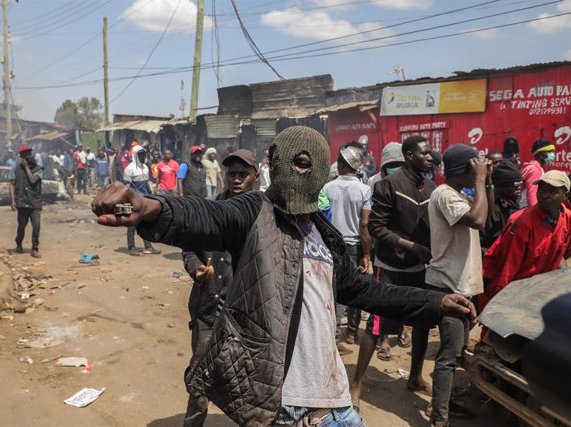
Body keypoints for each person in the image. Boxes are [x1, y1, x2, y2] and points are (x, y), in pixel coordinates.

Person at [91, 126, 476, 426]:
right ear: (273, 164)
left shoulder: (323, 234)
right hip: (285, 405)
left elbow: (362, 289)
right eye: (290, 161)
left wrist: (433, 301)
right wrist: (151, 207)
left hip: (336, 400)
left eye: (307, 164)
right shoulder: (252, 213)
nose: (296, 171)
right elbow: (206, 216)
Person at [351, 135, 436, 406]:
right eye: (424, 153)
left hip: (417, 268)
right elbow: (376, 227)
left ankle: (415, 376)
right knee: (375, 325)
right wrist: (410, 246)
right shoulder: (389, 185)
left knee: (421, 322)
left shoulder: (432, 188)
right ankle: (357, 383)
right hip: (389, 266)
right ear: (409, 156)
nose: (430, 158)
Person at [182, 149, 259, 427]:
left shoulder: (265, 217)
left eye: (243, 174)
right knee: (200, 376)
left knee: (248, 382)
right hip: (209, 307)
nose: (236, 179)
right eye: (232, 174)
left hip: (249, 315)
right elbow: (190, 248)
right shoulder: (210, 209)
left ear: (256, 176)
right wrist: (196, 269)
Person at [425, 144, 492, 427]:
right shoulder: (444, 195)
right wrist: (479, 180)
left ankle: (448, 403)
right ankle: (439, 418)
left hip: (461, 285)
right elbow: (478, 220)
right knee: (449, 355)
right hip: (448, 286)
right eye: (474, 167)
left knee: (461, 350)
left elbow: (486, 220)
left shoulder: (459, 195)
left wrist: (484, 181)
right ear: (464, 170)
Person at [481, 170, 571, 310]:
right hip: (514, 290)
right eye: (541, 189)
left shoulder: (567, 219)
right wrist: (497, 305)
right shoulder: (522, 222)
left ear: (565, 195)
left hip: (539, 292)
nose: (543, 195)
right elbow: (506, 269)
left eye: (552, 191)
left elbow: (561, 256)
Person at [321, 146, 372, 354]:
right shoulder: (364, 190)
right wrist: (367, 254)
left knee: (333, 290)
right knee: (354, 288)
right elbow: (365, 225)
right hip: (354, 246)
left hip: (330, 244)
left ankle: (332, 336)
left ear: (341, 165)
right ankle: (350, 333)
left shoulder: (327, 188)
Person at [123, 145, 161, 256]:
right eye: (140, 154)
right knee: (132, 225)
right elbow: (126, 188)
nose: (143, 156)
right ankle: (131, 248)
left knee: (146, 224)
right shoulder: (129, 169)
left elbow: (147, 184)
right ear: (135, 155)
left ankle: (148, 247)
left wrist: (152, 195)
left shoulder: (145, 167)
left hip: (145, 200)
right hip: (134, 201)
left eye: (144, 154)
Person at [9, 145, 43, 259]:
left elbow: (33, 180)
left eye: (29, 154)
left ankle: (35, 248)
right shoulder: (16, 168)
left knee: (36, 225)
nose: (28, 157)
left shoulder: (39, 168)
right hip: (22, 202)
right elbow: (12, 184)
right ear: (21, 157)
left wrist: (27, 167)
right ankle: (18, 243)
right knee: (22, 226)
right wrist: (12, 201)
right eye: (25, 155)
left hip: (35, 202)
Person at [481, 160, 523, 250]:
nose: (519, 187)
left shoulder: (514, 203)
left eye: (520, 183)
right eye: (516, 184)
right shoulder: (493, 208)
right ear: (503, 186)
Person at [520, 139, 555, 208]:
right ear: (540, 154)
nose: (553, 154)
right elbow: (532, 195)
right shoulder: (534, 170)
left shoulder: (537, 168)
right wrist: (535, 213)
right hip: (528, 209)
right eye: (549, 152)